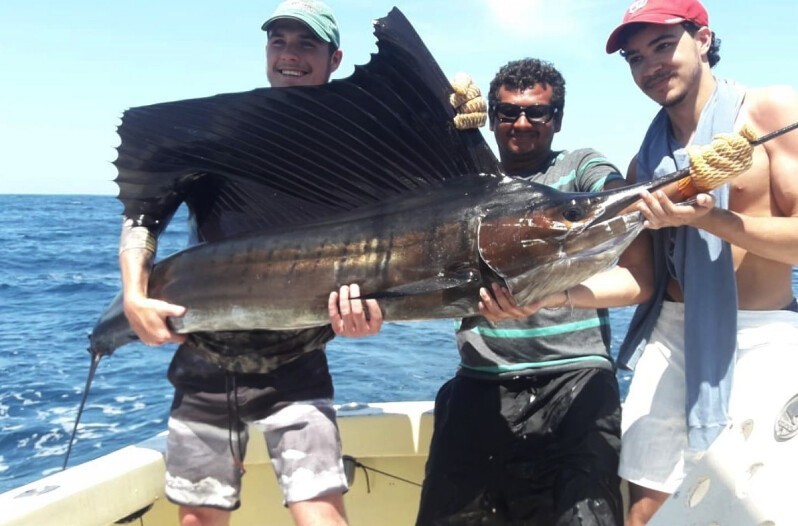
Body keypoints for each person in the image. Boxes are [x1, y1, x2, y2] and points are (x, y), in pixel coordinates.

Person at [119, 2, 382, 525]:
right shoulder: (218, 136)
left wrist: (367, 316)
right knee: (198, 519)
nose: (290, 55)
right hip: (206, 361)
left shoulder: (355, 151)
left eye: (306, 44)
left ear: (335, 59)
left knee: (321, 512)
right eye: (279, 41)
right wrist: (132, 294)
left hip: (298, 359)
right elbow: (143, 217)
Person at [415, 58, 653, 526]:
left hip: (577, 380)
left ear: (556, 120)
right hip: (483, 380)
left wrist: (555, 294)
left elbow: (613, 196)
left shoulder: (579, 167)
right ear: (493, 117)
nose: (521, 123)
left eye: (537, 113)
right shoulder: (467, 190)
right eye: (507, 113)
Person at [604, 0, 798, 524]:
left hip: (764, 335)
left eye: (663, 46)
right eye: (635, 58)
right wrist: (556, 295)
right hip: (670, 334)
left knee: (757, 507)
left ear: (704, 39)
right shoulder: (643, 162)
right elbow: (639, 279)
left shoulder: (771, 115)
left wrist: (714, 221)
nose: (650, 66)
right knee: (643, 512)